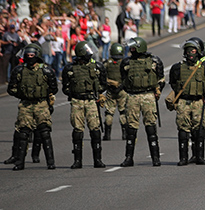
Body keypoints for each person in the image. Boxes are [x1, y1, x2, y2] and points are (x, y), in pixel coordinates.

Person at [5, 43, 58, 170]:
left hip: (41, 104)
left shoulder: (46, 70)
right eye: (27, 55)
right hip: (25, 105)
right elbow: (11, 89)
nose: (30, 57)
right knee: (23, 133)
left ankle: (50, 162)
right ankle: (19, 162)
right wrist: (23, 94)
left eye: (32, 55)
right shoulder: (19, 71)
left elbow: (54, 88)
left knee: (44, 132)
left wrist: (45, 96)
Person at [167, 40, 205, 166]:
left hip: (199, 101)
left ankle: (199, 156)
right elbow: (173, 83)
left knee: (199, 129)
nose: (191, 53)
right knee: (183, 130)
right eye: (188, 50)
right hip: (184, 101)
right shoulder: (177, 67)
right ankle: (183, 158)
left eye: (193, 50)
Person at [119, 36, 166, 167]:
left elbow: (161, 79)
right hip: (132, 96)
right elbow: (124, 80)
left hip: (148, 96)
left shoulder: (154, 61)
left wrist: (158, 90)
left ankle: (155, 157)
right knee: (131, 128)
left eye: (133, 47)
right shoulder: (126, 63)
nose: (131, 49)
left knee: (151, 127)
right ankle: (129, 158)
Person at [61, 41, 108, 169]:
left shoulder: (97, 67)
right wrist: (76, 93)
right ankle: (77, 160)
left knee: (95, 129)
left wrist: (96, 93)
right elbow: (65, 87)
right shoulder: (70, 68)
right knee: (77, 130)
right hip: (77, 101)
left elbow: (104, 84)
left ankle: (98, 159)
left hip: (92, 101)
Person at [101, 43, 128, 141]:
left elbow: (102, 77)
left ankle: (107, 135)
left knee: (109, 112)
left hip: (110, 90)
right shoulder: (124, 63)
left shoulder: (107, 63)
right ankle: (125, 134)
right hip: (122, 90)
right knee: (123, 112)